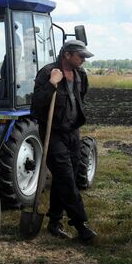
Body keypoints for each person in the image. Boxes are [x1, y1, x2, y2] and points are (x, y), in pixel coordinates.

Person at [31, 39, 98, 241]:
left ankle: (54, 221)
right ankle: (81, 224)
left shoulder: (80, 75)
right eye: (81, 56)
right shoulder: (48, 73)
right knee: (66, 177)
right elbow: (36, 106)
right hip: (53, 133)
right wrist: (52, 84)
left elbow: (80, 98)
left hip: (73, 133)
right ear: (67, 55)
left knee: (66, 176)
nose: (84, 60)